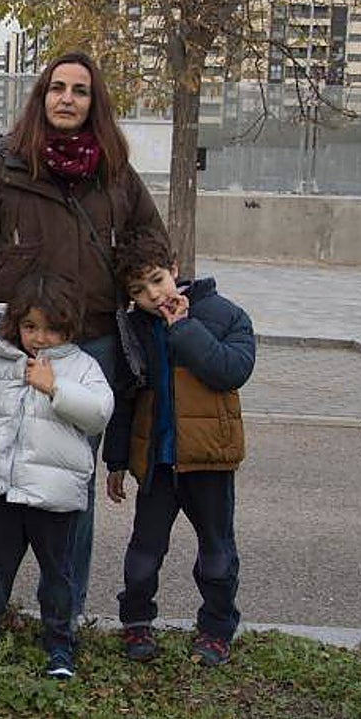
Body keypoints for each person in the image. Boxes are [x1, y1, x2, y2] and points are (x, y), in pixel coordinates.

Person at [0, 51, 166, 617]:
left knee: (70, 479)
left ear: (93, 102)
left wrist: (157, 295)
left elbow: (149, 245)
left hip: (90, 348)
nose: (67, 98)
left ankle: (64, 612)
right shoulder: (5, 170)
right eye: (58, 87)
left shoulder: (117, 176)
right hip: (13, 343)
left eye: (80, 90)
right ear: (41, 96)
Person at [0, 273, 113, 679]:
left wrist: (55, 389)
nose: (39, 338)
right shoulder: (4, 364)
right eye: (30, 327)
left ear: (69, 327)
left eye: (51, 329)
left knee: (57, 577)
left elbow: (99, 412)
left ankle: (60, 647)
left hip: (53, 498)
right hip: (1, 492)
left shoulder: (83, 367)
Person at [104, 230, 255, 667]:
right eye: (138, 291)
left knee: (216, 554)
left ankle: (216, 629)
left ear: (174, 270)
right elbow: (124, 397)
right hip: (156, 464)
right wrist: (116, 460)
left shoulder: (224, 314)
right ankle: (135, 623)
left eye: (157, 280)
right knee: (143, 556)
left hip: (209, 462)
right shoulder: (133, 328)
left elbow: (231, 370)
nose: (153, 295)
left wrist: (183, 328)